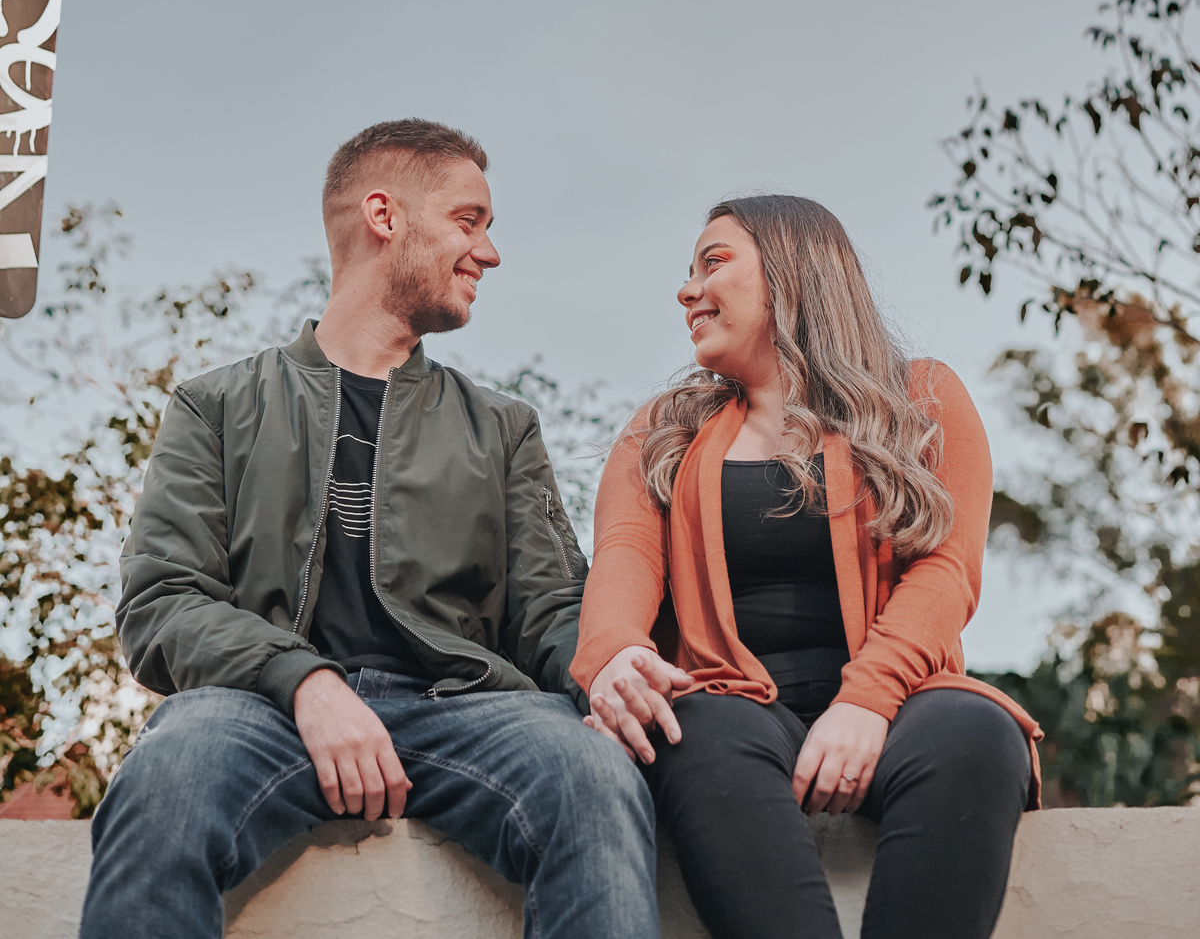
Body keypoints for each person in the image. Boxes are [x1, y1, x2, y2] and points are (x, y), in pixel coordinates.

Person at [81, 119, 658, 939]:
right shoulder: (215, 405)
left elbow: (551, 609)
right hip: (260, 708)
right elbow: (163, 601)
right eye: (469, 221)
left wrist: (605, 669)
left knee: (593, 775)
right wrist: (306, 682)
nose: (489, 253)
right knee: (165, 777)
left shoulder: (502, 427)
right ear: (383, 216)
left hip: (464, 709)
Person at [572, 194, 1041, 939]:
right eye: (688, 273)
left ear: (793, 271)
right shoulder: (663, 429)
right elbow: (624, 553)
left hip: (902, 704)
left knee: (977, 733)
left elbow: (947, 571)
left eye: (713, 263)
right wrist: (614, 652)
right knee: (694, 733)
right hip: (729, 707)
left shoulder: (922, 398)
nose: (687, 291)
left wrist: (866, 703)